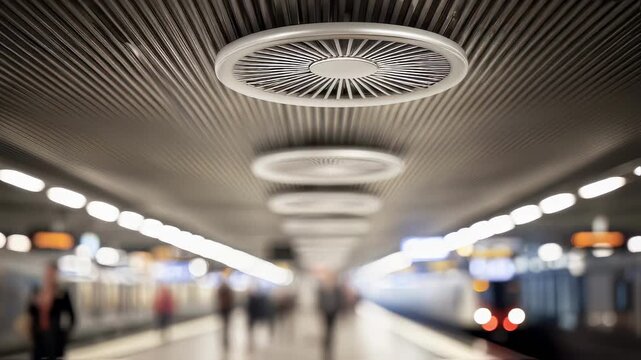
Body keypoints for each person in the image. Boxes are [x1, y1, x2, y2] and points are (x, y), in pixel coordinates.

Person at [27, 262, 75, 360]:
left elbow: (71, 316)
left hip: (55, 337)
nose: (48, 276)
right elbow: (30, 312)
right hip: (38, 335)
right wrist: (35, 303)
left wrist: (64, 334)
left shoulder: (62, 294)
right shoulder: (37, 291)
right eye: (47, 273)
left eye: (51, 273)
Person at [318, 274, 343, 360]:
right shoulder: (322, 290)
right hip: (325, 313)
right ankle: (326, 342)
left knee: (331, 329)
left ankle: (329, 341)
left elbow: (339, 301)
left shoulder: (336, 289)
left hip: (333, 313)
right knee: (326, 329)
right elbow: (320, 301)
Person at [216, 277, 234, 350]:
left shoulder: (220, 291)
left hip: (223, 309)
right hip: (227, 310)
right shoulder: (228, 292)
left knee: (224, 325)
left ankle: (225, 338)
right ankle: (226, 338)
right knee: (226, 325)